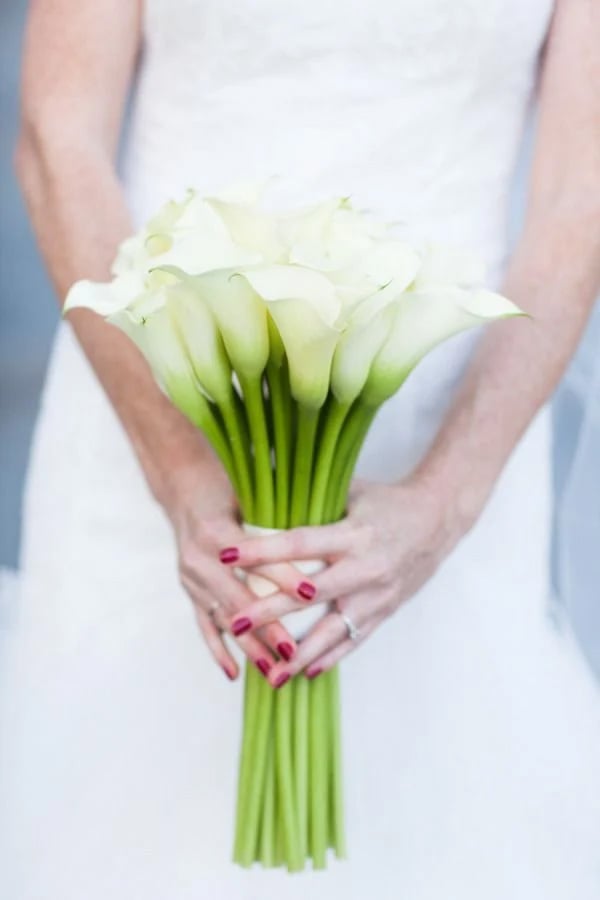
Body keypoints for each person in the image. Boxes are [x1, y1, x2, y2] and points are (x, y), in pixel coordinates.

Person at [1, 1, 600, 897]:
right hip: (155, 417)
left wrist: (445, 499)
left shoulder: (450, 487)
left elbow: (580, 190)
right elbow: (59, 135)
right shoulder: (165, 453)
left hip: (453, 428)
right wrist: (178, 469)